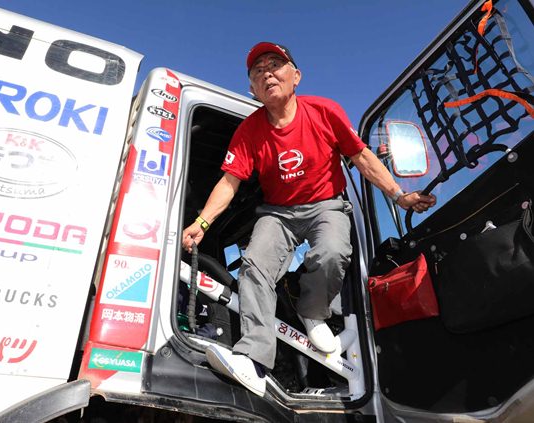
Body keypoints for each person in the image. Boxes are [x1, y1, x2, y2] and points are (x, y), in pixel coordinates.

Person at [182, 42, 437, 397]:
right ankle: (253, 360)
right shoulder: (250, 131)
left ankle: (313, 312)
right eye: (258, 71)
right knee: (254, 266)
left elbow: (361, 158)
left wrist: (399, 196)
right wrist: (203, 223)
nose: (267, 73)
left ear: (296, 76)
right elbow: (229, 182)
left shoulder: (324, 111)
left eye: (276, 65)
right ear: (253, 89)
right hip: (278, 212)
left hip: (325, 205)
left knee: (333, 252)